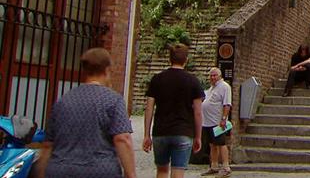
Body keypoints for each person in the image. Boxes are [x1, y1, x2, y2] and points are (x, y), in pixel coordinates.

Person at [36, 48, 135, 178]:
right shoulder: (113, 100)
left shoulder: (63, 101)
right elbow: (122, 138)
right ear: (106, 70)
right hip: (99, 169)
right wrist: (131, 174)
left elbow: (48, 145)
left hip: (60, 169)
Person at [143, 44, 204, 178]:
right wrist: (198, 136)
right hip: (183, 131)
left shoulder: (157, 79)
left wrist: (146, 134)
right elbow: (198, 112)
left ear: (169, 59)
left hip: (161, 131)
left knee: (162, 171)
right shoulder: (193, 81)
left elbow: (149, 108)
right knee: (178, 172)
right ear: (186, 60)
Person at [200, 68, 232, 178]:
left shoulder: (224, 87)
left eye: (215, 75)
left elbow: (227, 104)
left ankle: (226, 167)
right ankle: (214, 166)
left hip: (217, 122)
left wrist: (223, 118)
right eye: (211, 75)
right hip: (207, 122)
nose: (213, 77)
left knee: (221, 143)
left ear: (220, 75)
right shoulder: (211, 88)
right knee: (212, 144)